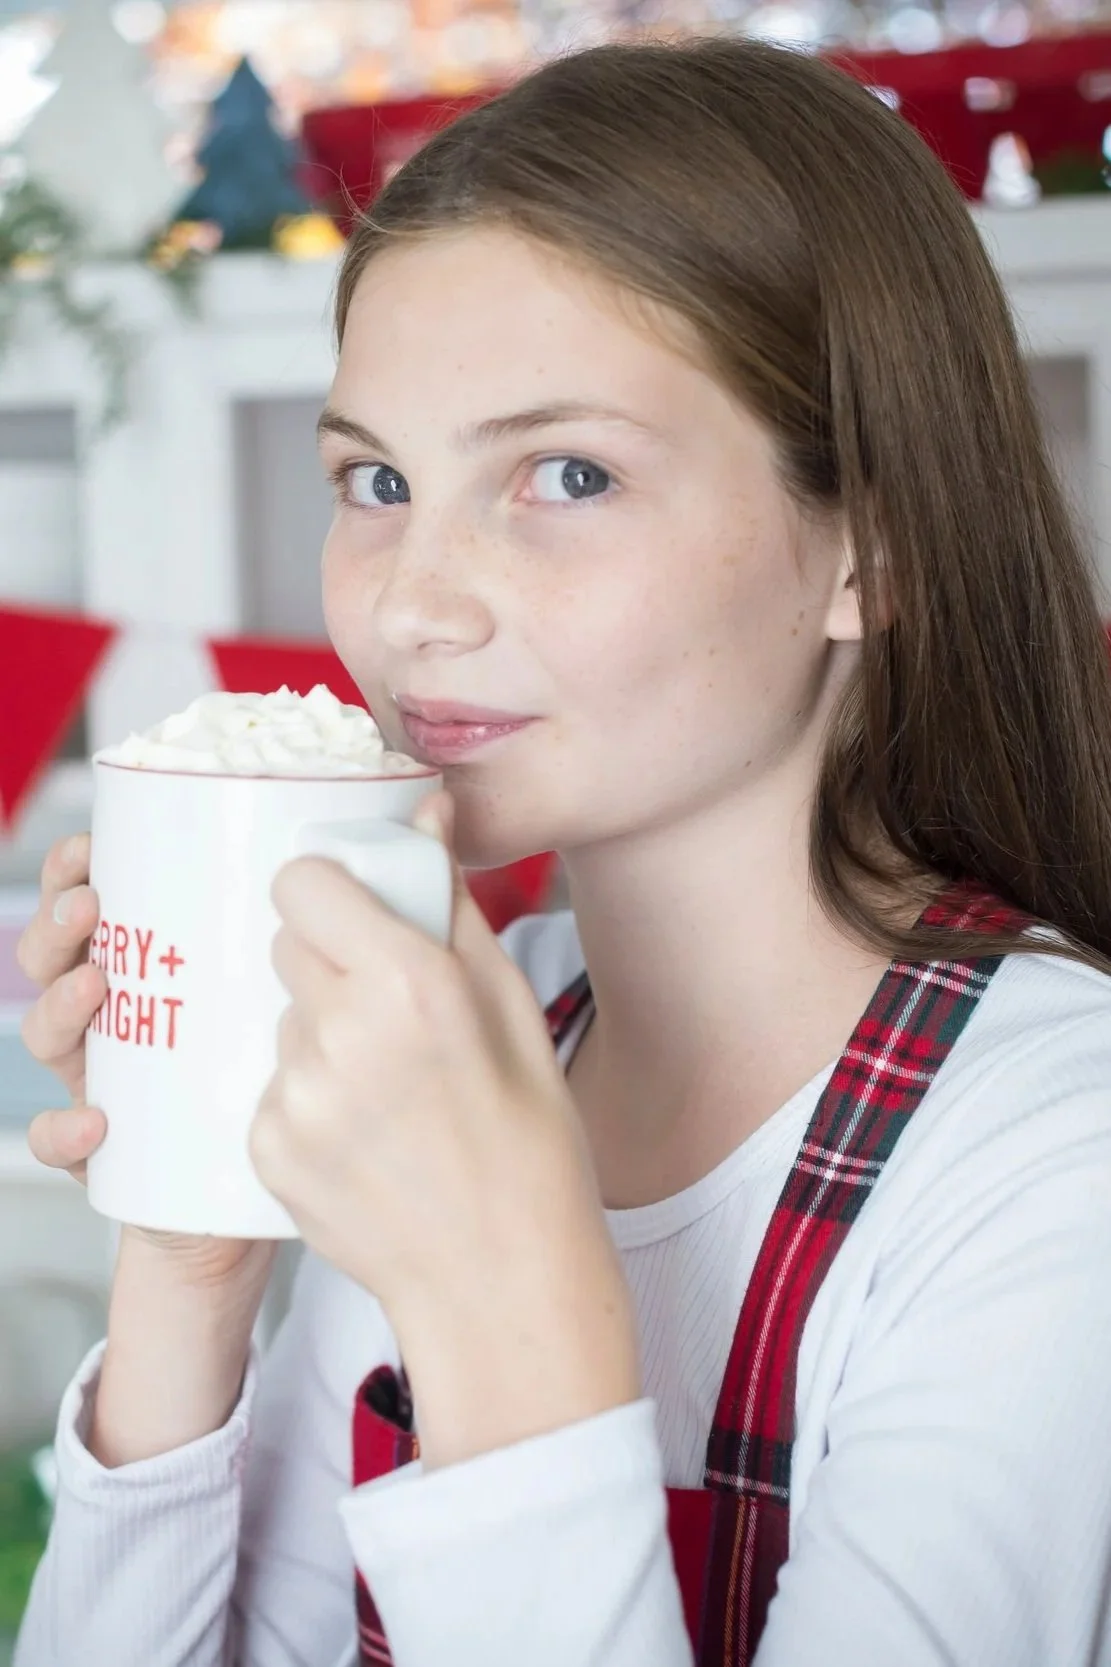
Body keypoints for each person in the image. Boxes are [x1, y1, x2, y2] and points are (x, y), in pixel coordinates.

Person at [13, 35, 1111, 1667]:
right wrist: (192, 1247)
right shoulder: (481, 1026)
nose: (409, 604)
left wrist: (497, 1298)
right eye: (374, 479)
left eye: (566, 473)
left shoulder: (1050, 1154)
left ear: (863, 548)